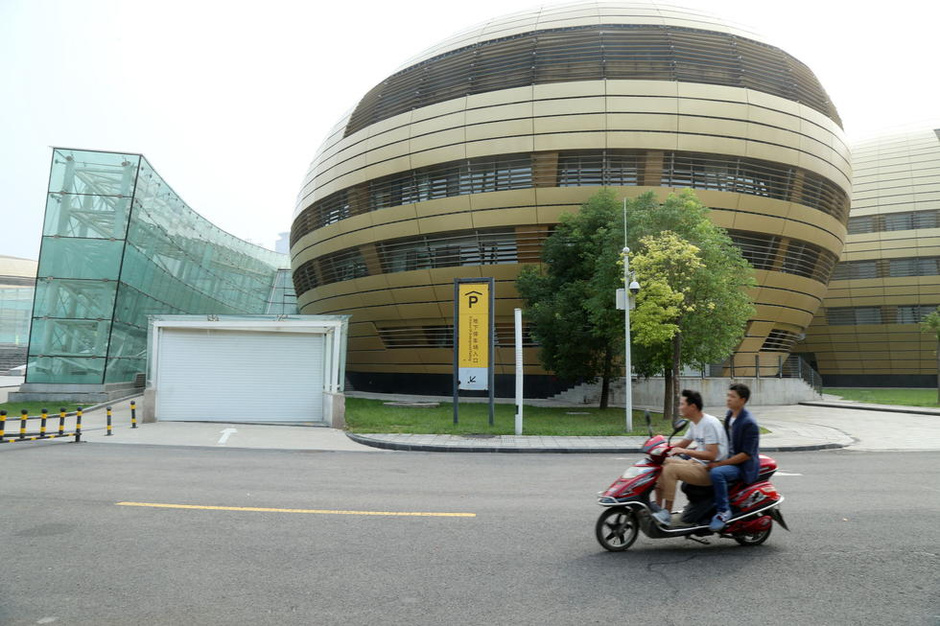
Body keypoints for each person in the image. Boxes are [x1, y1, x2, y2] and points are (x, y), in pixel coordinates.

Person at [651, 389, 728, 526]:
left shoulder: (709, 423)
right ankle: (658, 506)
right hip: (697, 464)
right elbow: (682, 443)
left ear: (692, 407)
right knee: (662, 463)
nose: (679, 407)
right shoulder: (694, 423)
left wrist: (685, 451)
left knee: (671, 470)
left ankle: (667, 513)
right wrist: (660, 446)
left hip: (710, 468)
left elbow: (712, 454)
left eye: (682, 404)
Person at [707, 383, 760, 532]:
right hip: (728, 458)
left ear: (742, 400)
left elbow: (746, 455)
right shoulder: (730, 415)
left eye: (732, 397)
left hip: (743, 466)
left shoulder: (749, 423)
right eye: (728, 395)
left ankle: (724, 511)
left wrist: (720, 464)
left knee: (717, 473)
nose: (728, 399)